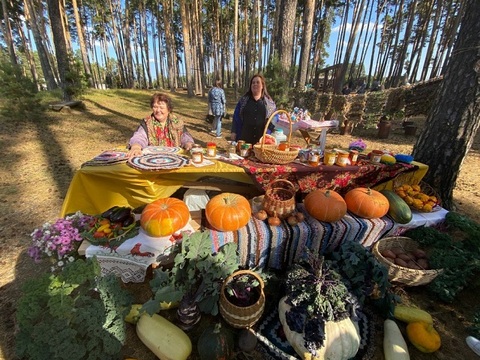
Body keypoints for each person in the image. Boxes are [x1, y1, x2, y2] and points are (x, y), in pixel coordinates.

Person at [127, 93, 195, 157]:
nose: (158, 110)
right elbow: (139, 136)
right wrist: (136, 147)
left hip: (175, 158)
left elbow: (185, 137)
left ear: (168, 109)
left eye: (161, 108)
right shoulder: (147, 123)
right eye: (155, 107)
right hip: (152, 160)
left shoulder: (177, 122)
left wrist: (188, 144)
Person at [231, 74, 277, 144]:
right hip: (244, 140)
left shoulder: (270, 104)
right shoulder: (243, 101)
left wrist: (268, 133)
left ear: (262, 86)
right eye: (253, 82)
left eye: (258, 82)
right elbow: (236, 117)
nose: (255, 84)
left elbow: (274, 119)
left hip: (261, 142)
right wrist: (234, 131)